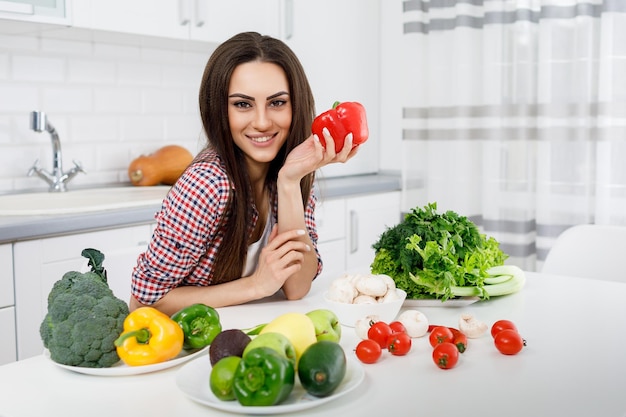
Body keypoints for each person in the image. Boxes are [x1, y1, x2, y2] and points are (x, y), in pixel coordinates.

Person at [129, 32, 359, 315]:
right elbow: (143, 304)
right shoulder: (207, 185)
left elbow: (296, 287)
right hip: (201, 344)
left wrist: (290, 182)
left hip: (256, 338)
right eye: (242, 104)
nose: (262, 122)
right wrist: (255, 286)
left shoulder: (290, 168)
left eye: (277, 102)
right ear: (219, 110)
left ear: (295, 105)